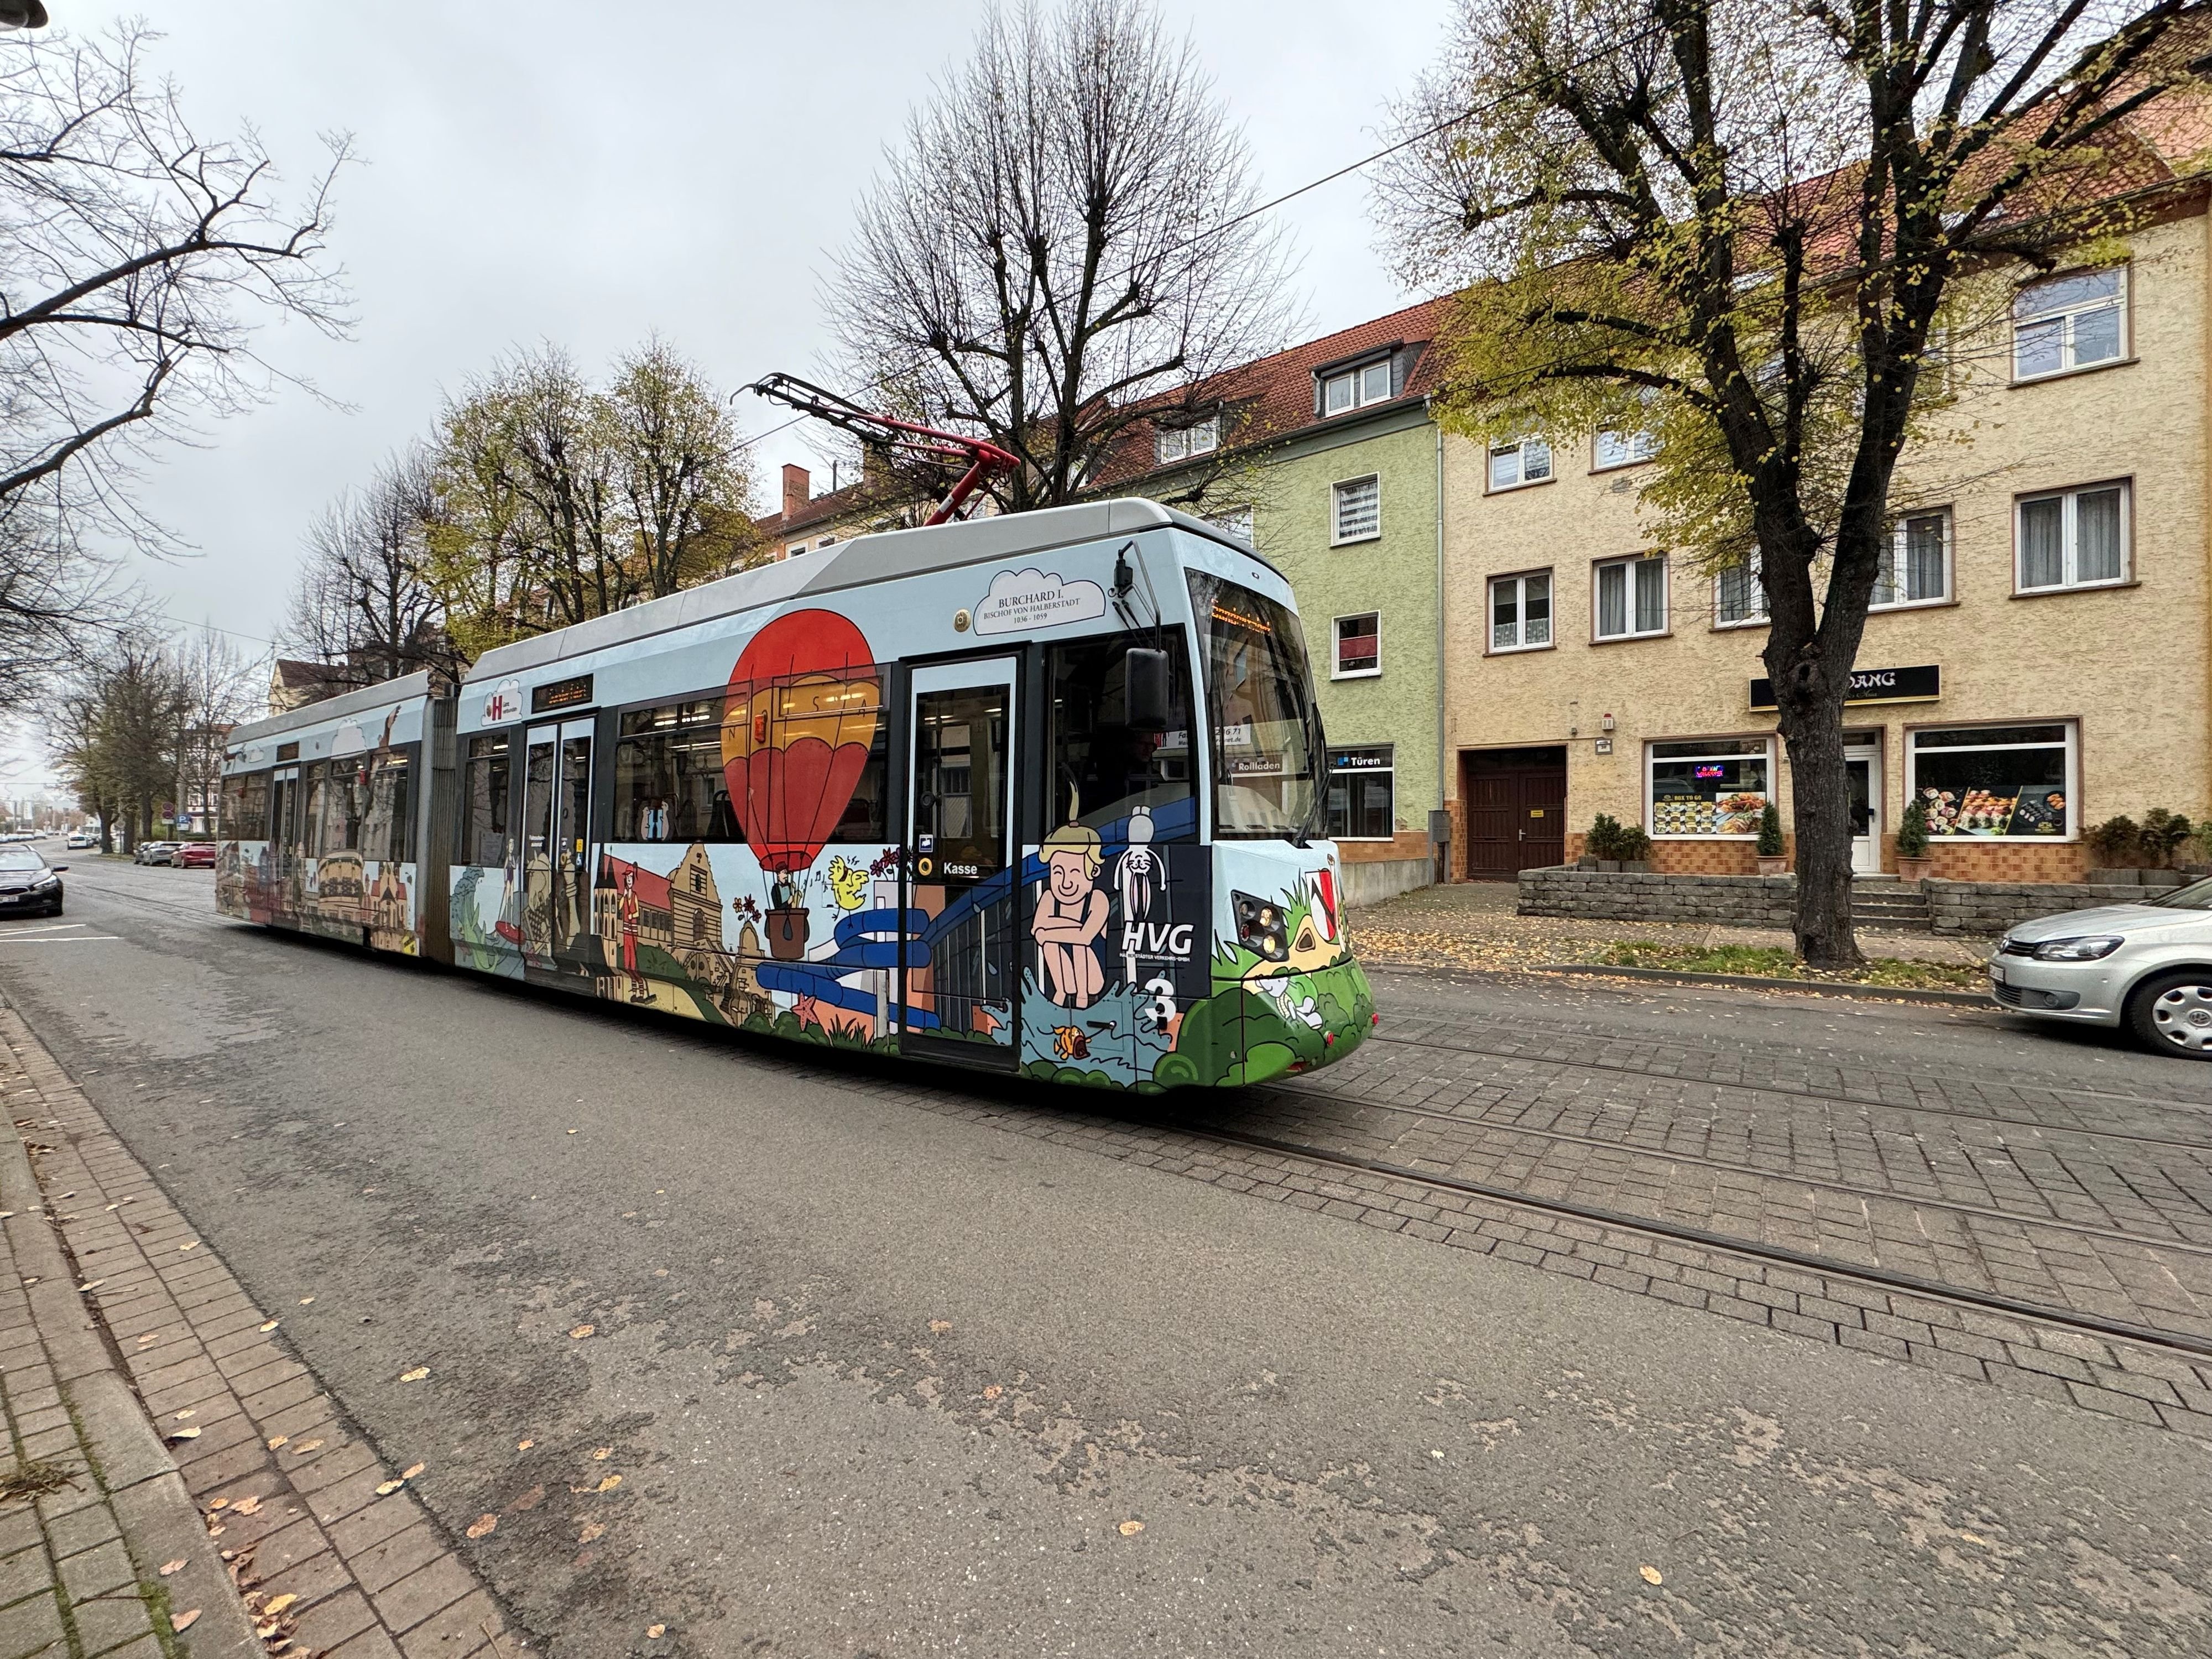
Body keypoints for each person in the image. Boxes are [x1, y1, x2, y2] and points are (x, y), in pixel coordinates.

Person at [1032, 821, 1108, 1008]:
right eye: (1058, 872)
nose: (1066, 883)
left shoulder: (1097, 899)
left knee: (1077, 942)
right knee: (1055, 942)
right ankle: (1061, 993)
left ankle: (1082, 999)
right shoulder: (1049, 897)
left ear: (1093, 872)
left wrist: (1052, 929)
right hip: (1064, 977)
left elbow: (1084, 937)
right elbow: (1037, 932)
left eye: (1075, 872)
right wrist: (1072, 929)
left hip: (1092, 979)